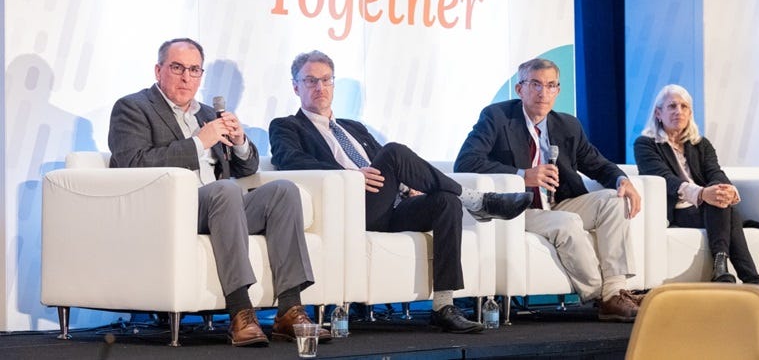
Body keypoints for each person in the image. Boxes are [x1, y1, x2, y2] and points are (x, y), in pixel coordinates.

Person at [269, 50, 533, 334]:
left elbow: (382, 166)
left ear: (334, 84)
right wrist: (348, 176)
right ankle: (477, 201)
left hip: (386, 207)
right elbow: (290, 160)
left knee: (445, 202)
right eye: (310, 81)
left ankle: (443, 306)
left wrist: (408, 187)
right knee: (394, 152)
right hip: (349, 209)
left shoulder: (353, 127)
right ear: (296, 86)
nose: (319, 87)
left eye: (326, 80)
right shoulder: (286, 126)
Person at [108, 38, 330, 347]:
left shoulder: (209, 114)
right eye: (177, 68)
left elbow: (248, 167)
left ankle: (289, 311)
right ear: (159, 70)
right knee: (225, 190)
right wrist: (199, 142)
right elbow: (133, 162)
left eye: (194, 69)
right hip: (171, 209)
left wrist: (239, 141)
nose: (186, 77)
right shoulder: (133, 107)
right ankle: (241, 313)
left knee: (283, 191)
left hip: (223, 209)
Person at [454, 58, 643, 322]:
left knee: (614, 200)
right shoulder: (497, 117)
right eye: (535, 84)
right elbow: (466, 161)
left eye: (550, 85)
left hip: (559, 202)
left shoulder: (568, 125)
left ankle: (615, 292)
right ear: (520, 89)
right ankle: (603, 297)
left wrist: (622, 180)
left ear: (558, 91)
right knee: (567, 222)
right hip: (521, 207)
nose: (543, 92)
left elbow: (597, 164)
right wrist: (522, 176)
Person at [633, 84, 759, 316]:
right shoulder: (645, 144)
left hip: (708, 208)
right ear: (658, 113)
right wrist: (702, 194)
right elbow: (664, 179)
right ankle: (756, 289)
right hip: (676, 210)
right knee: (719, 205)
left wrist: (726, 190)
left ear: (690, 113)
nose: (679, 111)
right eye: (672, 106)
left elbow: (715, 172)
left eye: (684, 106)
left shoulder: (700, 144)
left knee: (722, 203)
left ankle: (723, 269)